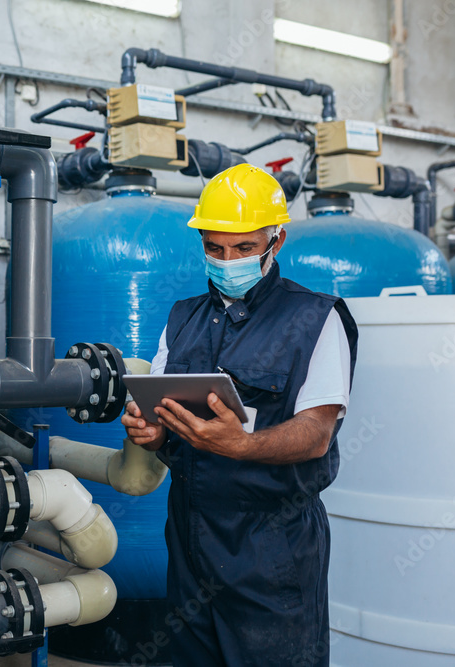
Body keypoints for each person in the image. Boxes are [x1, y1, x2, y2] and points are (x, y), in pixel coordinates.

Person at [122, 164, 359, 666]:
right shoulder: (181, 318)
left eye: (245, 248)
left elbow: (316, 433)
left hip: (271, 547)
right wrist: (151, 431)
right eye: (215, 248)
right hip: (189, 534)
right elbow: (164, 416)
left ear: (277, 240)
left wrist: (242, 446)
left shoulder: (315, 319)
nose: (228, 260)